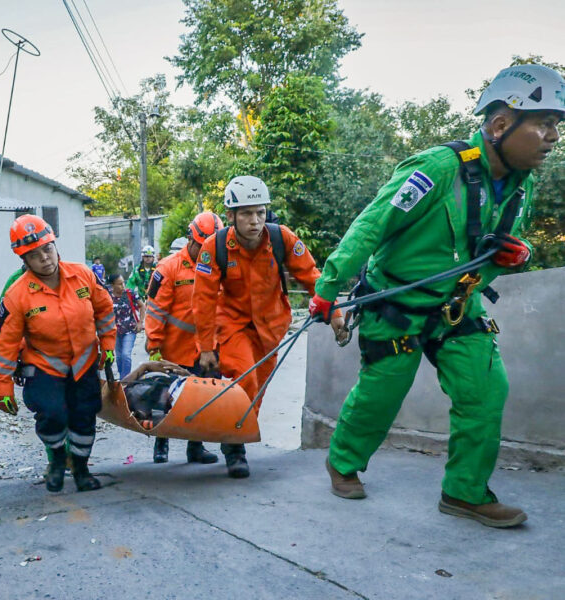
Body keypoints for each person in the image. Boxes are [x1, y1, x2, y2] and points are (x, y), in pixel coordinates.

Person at [308, 64, 564, 528]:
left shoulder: (521, 187)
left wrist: (519, 253)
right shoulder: (437, 169)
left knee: (486, 390)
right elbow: (372, 225)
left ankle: (465, 492)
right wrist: (327, 290)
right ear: (500, 124)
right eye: (544, 123)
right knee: (382, 393)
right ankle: (342, 462)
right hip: (396, 305)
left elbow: (495, 245)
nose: (553, 137)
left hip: (458, 307)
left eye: (556, 126)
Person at [192, 176, 341, 478]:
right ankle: (235, 448)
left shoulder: (281, 239)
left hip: (271, 329)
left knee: (257, 390)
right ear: (231, 215)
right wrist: (206, 348)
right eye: (246, 213)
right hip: (233, 325)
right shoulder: (214, 247)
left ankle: (236, 434)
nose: (255, 220)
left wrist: (335, 313)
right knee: (244, 378)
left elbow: (312, 276)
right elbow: (203, 300)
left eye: (260, 212)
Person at [0, 215, 116, 493]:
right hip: (44, 365)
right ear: (24, 260)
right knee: (52, 413)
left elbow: (104, 310)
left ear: (55, 245)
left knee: (85, 415)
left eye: (47, 249)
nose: (44, 258)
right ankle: (58, 459)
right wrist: (2, 386)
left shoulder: (83, 274)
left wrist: (108, 345)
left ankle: (81, 468)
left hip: (84, 362)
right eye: (34, 255)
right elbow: (7, 344)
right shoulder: (17, 295)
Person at [144, 212, 223, 465]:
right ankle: (161, 441)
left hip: (208, 348)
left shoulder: (219, 266)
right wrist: (154, 345)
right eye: (202, 245)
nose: (207, 251)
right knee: (165, 396)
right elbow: (155, 309)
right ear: (191, 239)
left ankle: (195, 446)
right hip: (174, 348)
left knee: (203, 398)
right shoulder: (169, 267)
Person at [107, 273, 144, 379]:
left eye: (123, 283)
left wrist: (140, 322)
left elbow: (142, 306)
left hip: (130, 330)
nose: (123, 286)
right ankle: (122, 376)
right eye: (119, 284)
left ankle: (125, 380)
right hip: (114, 331)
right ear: (112, 285)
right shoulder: (107, 296)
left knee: (126, 355)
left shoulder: (130, 293)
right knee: (119, 357)